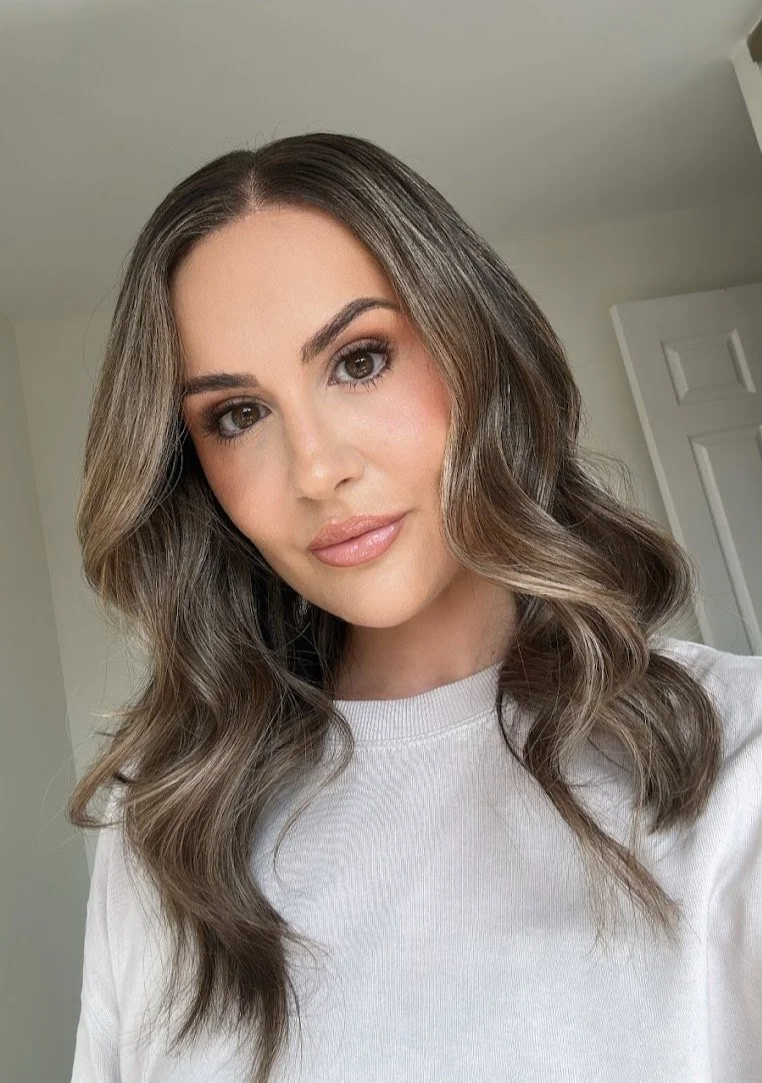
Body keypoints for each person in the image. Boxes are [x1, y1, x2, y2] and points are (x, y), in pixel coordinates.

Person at [68, 133, 762, 1083]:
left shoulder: (733, 756)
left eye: (359, 360)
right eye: (238, 415)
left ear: (473, 348)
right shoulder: (171, 822)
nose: (317, 468)